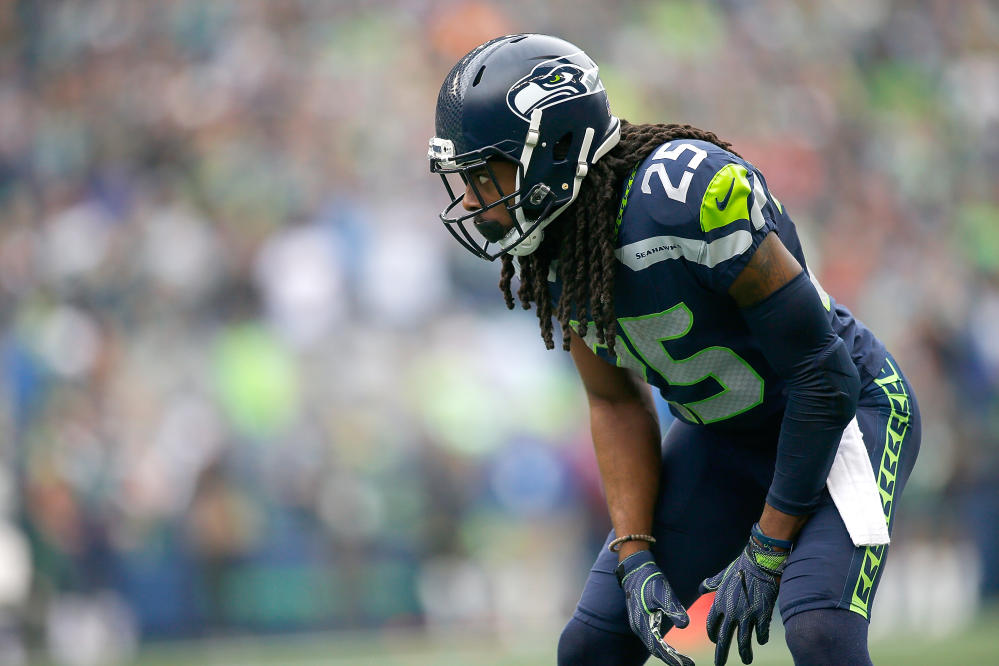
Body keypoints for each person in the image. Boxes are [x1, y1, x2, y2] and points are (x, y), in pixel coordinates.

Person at [427, 34, 920, 666]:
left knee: (820, 628)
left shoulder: (686, 198)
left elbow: (822, 374)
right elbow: (612, 401)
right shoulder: (552, 249)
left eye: (481, 172)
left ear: (552, 151)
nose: (470, 199)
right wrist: (634, 556)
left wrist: (768, 548)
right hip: (722, 438)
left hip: (844, 414)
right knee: (592, 645)